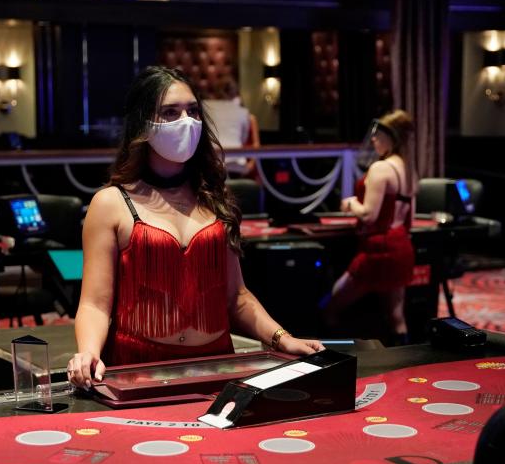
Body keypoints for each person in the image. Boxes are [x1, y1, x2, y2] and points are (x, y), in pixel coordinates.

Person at [67, 66, 322, 388]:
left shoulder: (215, 197)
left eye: (193, 111)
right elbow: (94, 303)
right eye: (170, 112)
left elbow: (237, 296)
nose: (185, 121)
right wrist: (88, 352)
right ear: (143, 124)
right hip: (138, 369)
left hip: (217, 364)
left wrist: (282, 338)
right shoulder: (111, 203)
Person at [322, 110, 417, 345]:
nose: (373, 140)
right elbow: (410, 219)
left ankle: (332, 361)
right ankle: (404, 365)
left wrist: (350, 202)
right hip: (402, 247)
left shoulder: (381, 168)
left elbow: (368, 213)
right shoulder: (409, 168)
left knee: (331, 305)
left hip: (379, 249)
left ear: (392, 139)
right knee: (397, 316)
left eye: (378, 135)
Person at [202, 78, 260, 178]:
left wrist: (251, 165)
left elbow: (256, 144)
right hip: (224, 161)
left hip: (241, 162)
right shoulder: (210, 112)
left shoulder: (248, 117)